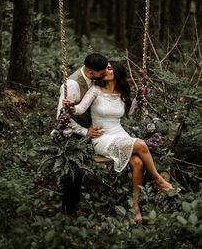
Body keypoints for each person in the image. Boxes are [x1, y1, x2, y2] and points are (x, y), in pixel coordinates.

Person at [63, 60, 173, 223]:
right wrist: (70, 107)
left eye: (108, 68)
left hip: (119, 132)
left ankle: (135, 207)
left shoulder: (122, 92)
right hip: (101, 136)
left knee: (137, 163)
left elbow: (130, 112)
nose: (104, 71)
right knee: (141, 145)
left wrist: (139, 97)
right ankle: (159, 180)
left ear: (116, 72)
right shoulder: (95, 90)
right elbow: (80, 109)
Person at [57, 53, 108, 216]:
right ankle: (67, 212)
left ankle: (73, 208)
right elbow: (61, 117)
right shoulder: (72, 84)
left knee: (79, 174)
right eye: (102, 72)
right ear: (91, 72)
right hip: (71, 134)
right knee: (72, 174)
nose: (104, 74)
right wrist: (85, 131)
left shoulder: (93, 81)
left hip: (85, 133)